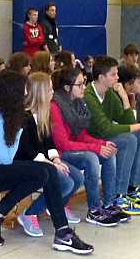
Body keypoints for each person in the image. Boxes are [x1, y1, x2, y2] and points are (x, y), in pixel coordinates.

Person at [0, 70, 93, 254]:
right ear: (12, 94)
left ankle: (61, 232)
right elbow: (7, 157)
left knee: (46, 172)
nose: (26, 96)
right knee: (44, 171)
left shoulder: (5, 112)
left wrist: (52, 159)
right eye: (24, 92)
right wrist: (20, 128)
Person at [50, 67, 129, 226]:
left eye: (84, 83)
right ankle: (94, 210)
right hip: (59, 153)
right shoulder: (55, 107)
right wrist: (95, 148)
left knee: (108, 153)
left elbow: (81, 136)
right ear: (67, 87)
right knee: (91, 158)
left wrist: (102, 144)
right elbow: (62, 144)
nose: (84, 88)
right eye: (79, 84)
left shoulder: (77, 103)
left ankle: (108, 203)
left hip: (72, 148)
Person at [13, 72, 83, 236]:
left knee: (77, 177)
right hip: (27, 161)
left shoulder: (44, 112)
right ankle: (29, 214)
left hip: (43, 159)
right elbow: (28, 151)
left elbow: (49, 142)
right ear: (40, 92)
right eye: (49, 89)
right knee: (66, 183)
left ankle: (56, 206)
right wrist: (51, 164)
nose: (53, 92)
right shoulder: (24, 116)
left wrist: (56, 159)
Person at [84, 56, 140, 211]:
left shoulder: (109, 93)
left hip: (104, 135)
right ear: (101, 77)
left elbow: (128, 121)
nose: (117, 77)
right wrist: (138, 126)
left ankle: (133, 188)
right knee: (129, 140)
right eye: (113, 74)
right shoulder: (89, 96)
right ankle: (119, 195)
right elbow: (105, 128)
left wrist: (124, 97)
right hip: (91, 139)